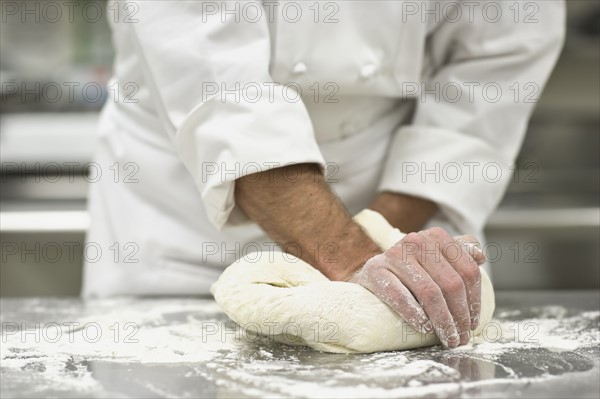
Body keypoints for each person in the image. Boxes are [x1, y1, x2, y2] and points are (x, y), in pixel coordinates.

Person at [83, 1, 565, 348]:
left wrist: (389, 240)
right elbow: (220, 93)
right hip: (180, 207)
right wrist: (353, 257)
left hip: (392, 176)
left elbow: (498, 59)